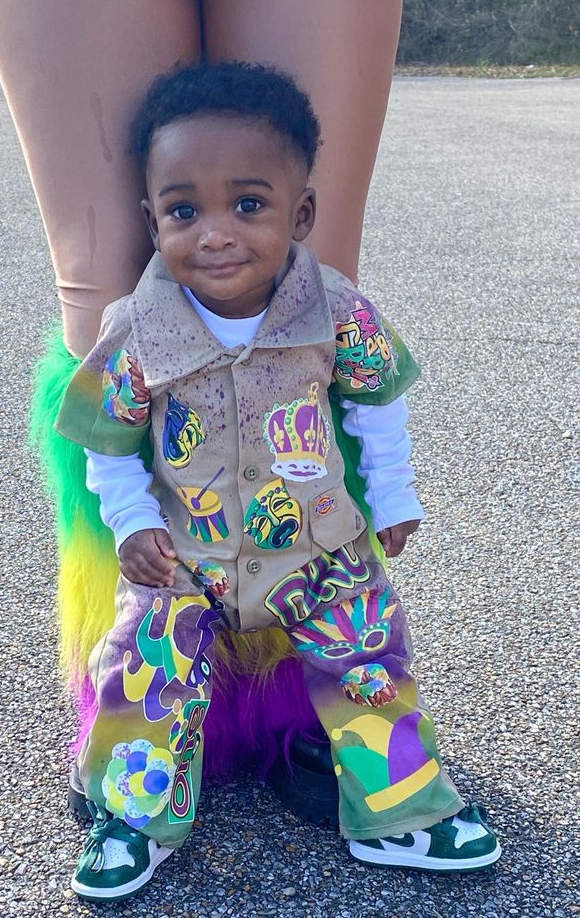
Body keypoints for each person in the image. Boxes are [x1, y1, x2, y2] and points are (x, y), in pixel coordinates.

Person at [55, 62, 501, 902]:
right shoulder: (134, 330)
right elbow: (108, 442)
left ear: (301, 214)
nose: (214, 233)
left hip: (318, 549)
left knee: (371, 654)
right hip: (185, 557)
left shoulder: (339, 310)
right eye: (184, 210)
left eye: (248, 205)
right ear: (152, 220)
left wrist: (395, 496)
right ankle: (133, 814)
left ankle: (401, 809)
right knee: (144, 666)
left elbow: (376, 404)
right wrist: (129, 523)